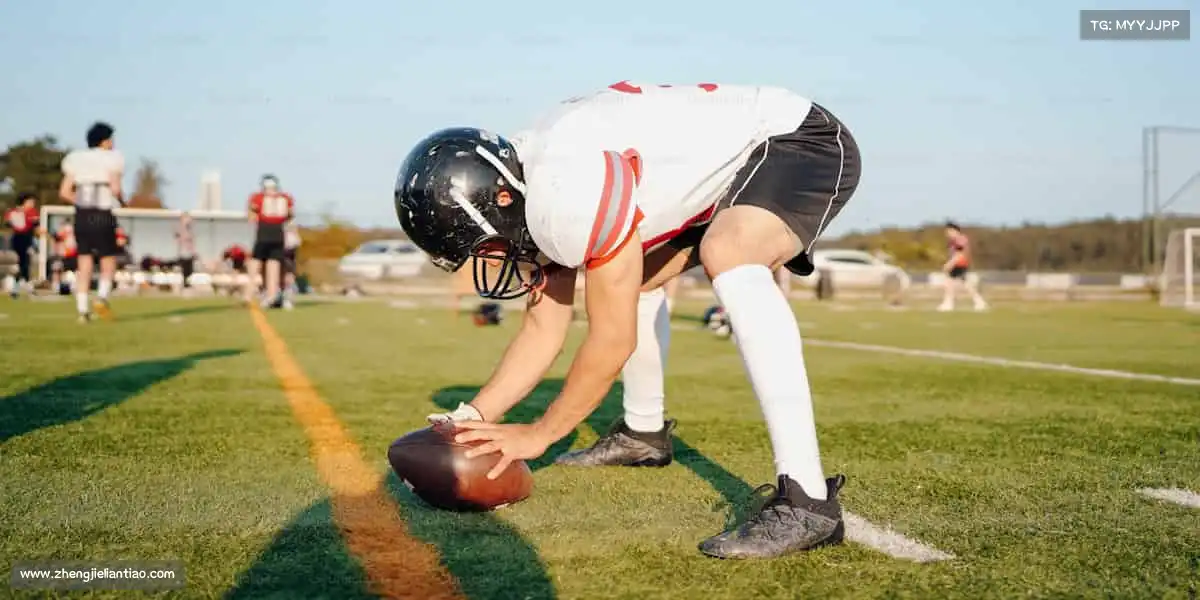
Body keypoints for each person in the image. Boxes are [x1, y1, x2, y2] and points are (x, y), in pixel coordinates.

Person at [397, 81, 861, 560]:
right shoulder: (530, 184)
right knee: (631, 282)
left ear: (502, 201)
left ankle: (808, 500)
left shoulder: (565, 191)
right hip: (718, 172)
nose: (494, 260)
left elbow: (612, 340)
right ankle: (643, 433)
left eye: (487, 246)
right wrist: (473, 418)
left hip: (793, 138)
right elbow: (543, 329)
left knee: (730, 250)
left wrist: (541, 433)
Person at [58, 122, 125, 322]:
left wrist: (80, 202)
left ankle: (82, 311)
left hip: (82, 215)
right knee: (108, 259)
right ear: (103, 141)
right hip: (102, 214)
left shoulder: (75, 159)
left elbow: (64, 192)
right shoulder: (112, 159)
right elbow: (115, 189)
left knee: (84, 262)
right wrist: (123, 202)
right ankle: (101, 298)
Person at [246, 174, 293, 308]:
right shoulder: (285, 198)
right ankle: (271, 295)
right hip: (278, 233)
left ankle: (249, 294)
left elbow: (251, 215)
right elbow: (290, 214)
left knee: (255, 264)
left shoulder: (258, 197)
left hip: (264, 232)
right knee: (274, 265)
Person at [938, 221, 988, 312]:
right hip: (957, 263)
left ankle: (950, 303)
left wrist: (950, 263)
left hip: (960, 263)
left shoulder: (960, 239)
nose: (947, 234)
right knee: (955, 283)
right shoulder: (952, 241)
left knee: (956, 283)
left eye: (949, 231)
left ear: (955, 230)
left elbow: (960, 253)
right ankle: (977, 301)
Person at [4, 192, 39, 298]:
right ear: (25, 202)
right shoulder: (29, 212)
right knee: (24, 264)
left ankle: (17, 289)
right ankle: (26, 288)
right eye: (31, 201)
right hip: (23, 240)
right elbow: (35, 225)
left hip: (18, 240)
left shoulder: (12, 212)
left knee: (23, 265)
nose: (33, 204)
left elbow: (8, 223)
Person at [175, 212, 197, 295]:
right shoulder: (181, 230)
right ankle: (184, 286)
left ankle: (187, 285)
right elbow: (180, 239)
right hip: (183, 254)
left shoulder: (190, 231)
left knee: (190, 271)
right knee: (184, 271)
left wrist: (193, 252)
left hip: (189, 254)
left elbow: (192, 243)